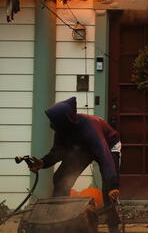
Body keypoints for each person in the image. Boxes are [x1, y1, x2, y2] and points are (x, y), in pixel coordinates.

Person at [29, 97, 122, 233]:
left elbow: (105, 156)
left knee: (108, 190)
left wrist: (113, 185)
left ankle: (113, 227)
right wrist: (43, 163)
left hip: (109, 145)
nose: (51, 124)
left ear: (65, 120)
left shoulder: (90, 129)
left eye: (54, 121)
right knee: (61, 178)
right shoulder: (61, 129)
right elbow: (58, 152)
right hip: (83, 148)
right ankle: (61, 219)